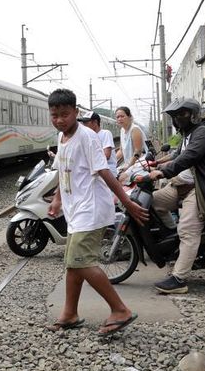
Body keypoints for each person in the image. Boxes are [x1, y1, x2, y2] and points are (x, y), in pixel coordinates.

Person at [45, 89, 148, 335]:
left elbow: (104, 172)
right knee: (73, 263)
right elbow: (63, 171)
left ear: (76, 113)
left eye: (65, 114)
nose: (60, 120)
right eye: (55, 115)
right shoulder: (62, 138)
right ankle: (69, 314)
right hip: (75, 211)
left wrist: (127, 202)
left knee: (80, 261)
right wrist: (58, 200)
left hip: (91, 209)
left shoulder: (87, 138)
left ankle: (119, 309)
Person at [148, 98, 205, 294]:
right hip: (181, 185)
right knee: (153, 201)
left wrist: (164, 172)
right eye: (175, 116)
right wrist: (157, 165)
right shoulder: (187, 135)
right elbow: (177, 155)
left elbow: (190, 156)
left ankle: (179, 279)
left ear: (194, 115)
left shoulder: (203, 133)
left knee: (188, 229)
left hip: (200, 188)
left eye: (182, 114)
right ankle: (174, 240)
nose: (178, 119)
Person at [81, 112, 118, 178]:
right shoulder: (87, 137)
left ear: (95, 122)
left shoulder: (105, 133)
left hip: (108, 170)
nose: (84, 125)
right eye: (83, 123)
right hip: (95, 171)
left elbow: (106, 155)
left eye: (86, 122)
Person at [115, 106, 148, 174]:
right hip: (131, 164)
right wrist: (111, 160)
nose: (120, 119)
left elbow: (138, 151)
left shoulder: (135, 130)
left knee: (120, 178)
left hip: (140, 163)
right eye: (118, 117)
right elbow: (121, 150)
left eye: (122, 116)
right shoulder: (122, 130)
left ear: (129, 116)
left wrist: (128, 166)